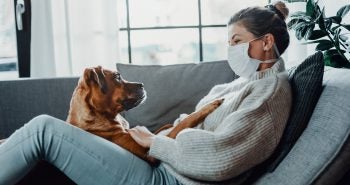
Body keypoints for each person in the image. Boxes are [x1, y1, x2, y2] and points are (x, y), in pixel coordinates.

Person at [0, 1, 292, 185]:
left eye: (237, 41)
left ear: (266, 42)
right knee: (38, 140)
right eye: (229, 42)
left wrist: (155, 142)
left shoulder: (268, 95)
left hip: (166, 178)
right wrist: (164, 137)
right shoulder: (243, 82)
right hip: (165, 163)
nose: (231, 50)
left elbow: (221, 160)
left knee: (43, 130)